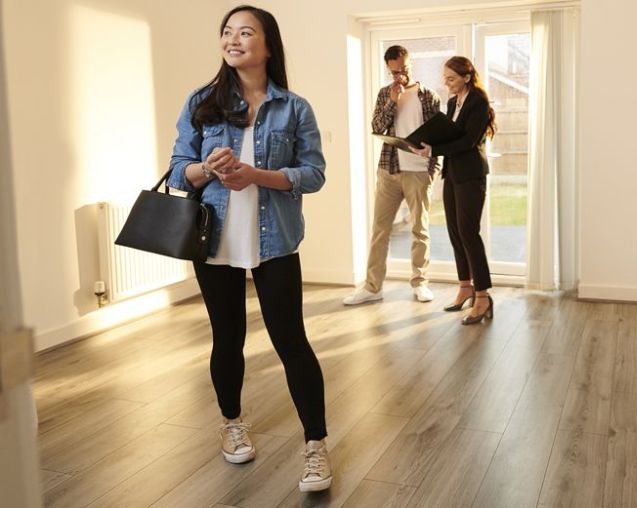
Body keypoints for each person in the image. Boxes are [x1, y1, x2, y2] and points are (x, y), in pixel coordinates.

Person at [167, 5, 331, 492]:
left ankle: (316, 446)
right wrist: (207, 169)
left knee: (292, 343)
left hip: (275, 240)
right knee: (227, 337)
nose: (232, 39)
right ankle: (232, 422)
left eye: (245, 32)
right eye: (226, 32)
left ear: (268, 44)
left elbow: (315, 174)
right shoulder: (202, 100)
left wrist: (255, 175)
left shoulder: (294, 107)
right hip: (213, 240)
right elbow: (179, 170)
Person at [344, 45, 441, 306]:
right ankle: (372, 287)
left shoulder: (428, 96)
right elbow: (376, 126)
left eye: (404, 69)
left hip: (419, 172)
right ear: (389, 69)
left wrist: (433, 168)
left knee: (419, 229)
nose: (400, 76)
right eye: (394, 72)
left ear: (411, 64)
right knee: (379, 230)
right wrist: (392, 101)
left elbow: (439, 136)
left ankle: (420, 283)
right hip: (389, 169)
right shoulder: (385, 94)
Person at [411, 56, 496, 325]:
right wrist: (426, 140)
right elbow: (451, 134)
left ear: (466, 77)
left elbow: (469, 141)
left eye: (451, 79)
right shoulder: (452, 102)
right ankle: (465, 287)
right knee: (455, 232)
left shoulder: (478, 101)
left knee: (469, 233)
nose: (446, 84)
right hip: (453, 172)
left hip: (471, 174)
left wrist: (434, 150)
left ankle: (482, 297)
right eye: (445, 78)